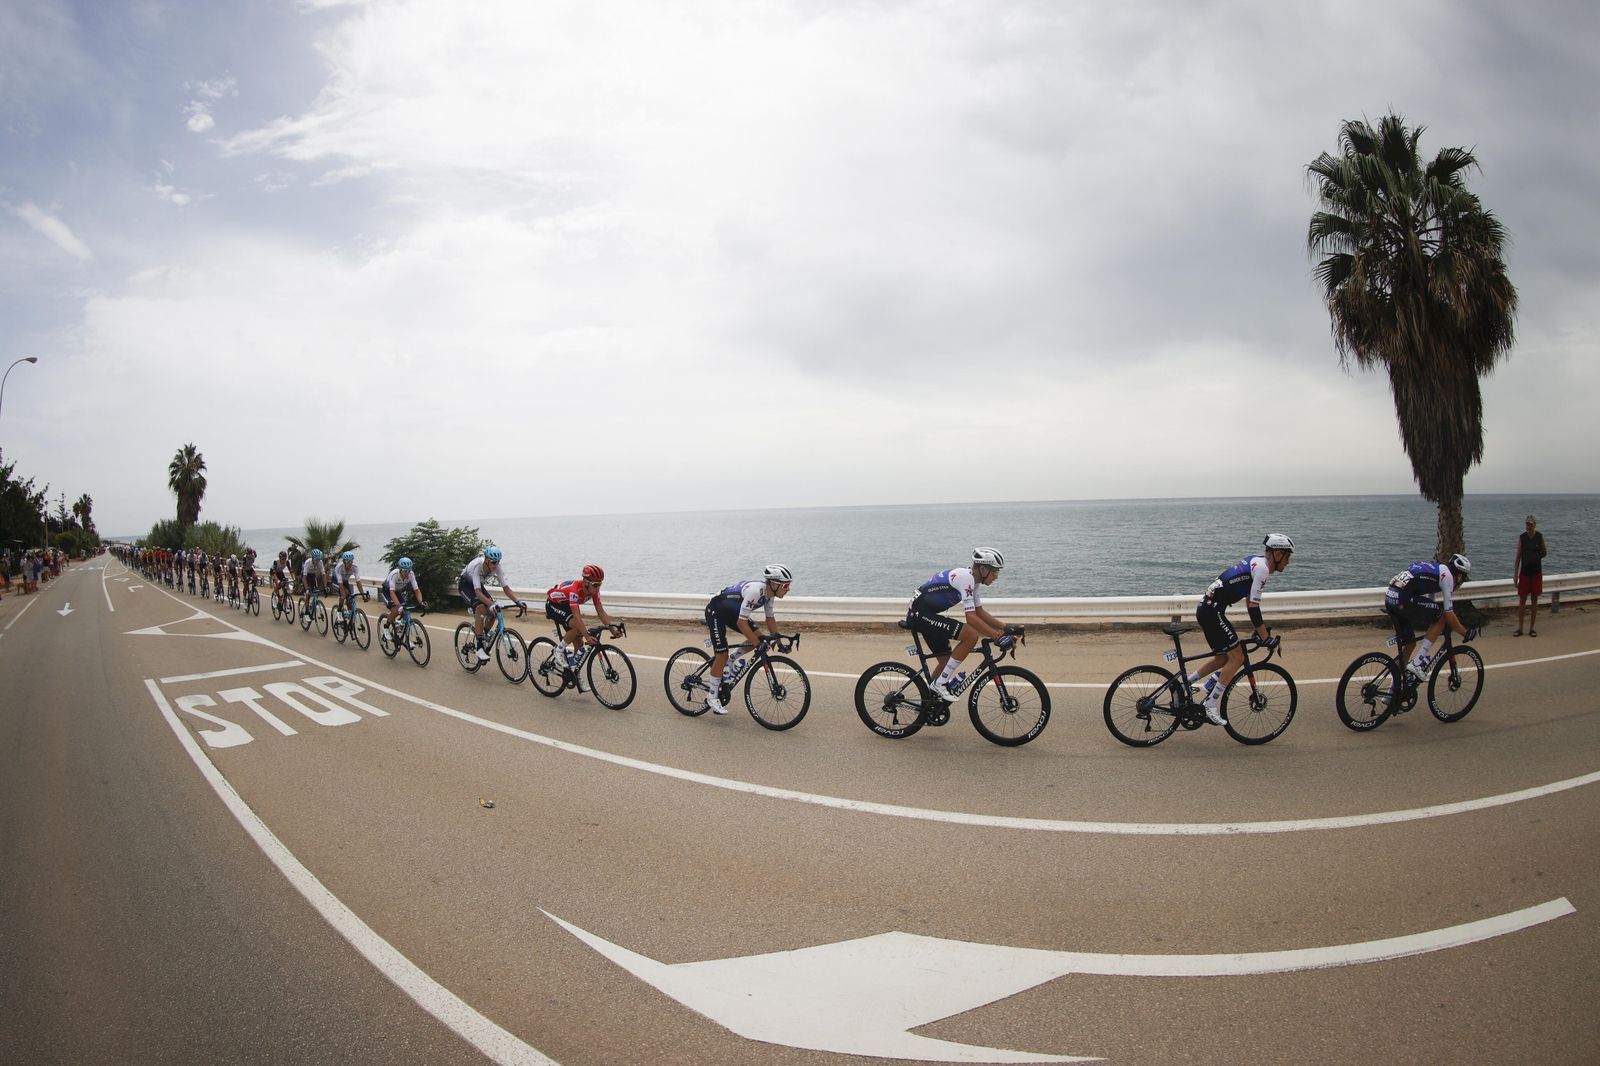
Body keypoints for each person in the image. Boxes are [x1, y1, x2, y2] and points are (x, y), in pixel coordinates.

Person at [1185, 535, 1294, 726]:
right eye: (1287, 556)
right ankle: (1210, 704)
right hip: (1213, 611)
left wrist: (1261, 632)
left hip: (1207, 608)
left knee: (1223, 659)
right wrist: (1265, 637)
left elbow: (1249, 599)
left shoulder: (1255, 561)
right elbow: (1253, 607)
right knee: (1237, 658)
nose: (1288, 561)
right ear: (1277, 553)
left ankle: (1185, 684)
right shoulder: (1263, 570)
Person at [907, 548, 1013, 705]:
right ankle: (940, 684)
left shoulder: (973, 581)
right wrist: (997, 636)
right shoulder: (966, 578)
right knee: (970, 636)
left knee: (946, 662)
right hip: (920, 615)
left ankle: (928, 703)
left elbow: (979, 612)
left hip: (924, 614)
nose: (996, 577)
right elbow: (971, 619)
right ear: (983, 569)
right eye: (995, 572)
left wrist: (1007, 628)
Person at [702, 564, 793, 714]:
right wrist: (758, 644)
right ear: (775, 584)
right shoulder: (756, 592)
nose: (788, 589)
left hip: (733, 612)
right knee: (721, 654)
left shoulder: (769, 595)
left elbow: (770, 618)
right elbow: (741, 623)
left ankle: (730, 661)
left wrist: (779, 642)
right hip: (717, 609)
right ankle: (712, 697)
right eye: (786, 585)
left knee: (759, 639)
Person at [1384, 554, 1474, 683]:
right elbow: (1449, 613)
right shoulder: (1447, 577)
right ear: (1459, 576)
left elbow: (1429, 600)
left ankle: (1393, 692)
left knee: (1410, 644)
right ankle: (1417, 662)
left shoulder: (1435, 569)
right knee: (1442, 616)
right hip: (1402, 599)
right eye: (1462, 579)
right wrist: (1465, 632)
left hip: (1390, 597)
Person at [545, 564, 621, 692]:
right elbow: (577, 616)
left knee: (579, 646)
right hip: (554, 605)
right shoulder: (575, 590)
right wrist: (586, 635)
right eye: (595, 585)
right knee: (578, 627)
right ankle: (558, 651)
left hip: (566, 606)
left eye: (600, 584)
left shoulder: (594, 591)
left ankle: (575, 675)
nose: (598, 588)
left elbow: (600, 611)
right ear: (586, 583)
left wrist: (612, 629)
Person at [457, 546, 528, 662]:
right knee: (480, 608)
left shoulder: (497, 568)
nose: (496, 565)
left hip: (477, 585)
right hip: (465, 585)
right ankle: (479, 647)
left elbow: (506, 588)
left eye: (498, 562)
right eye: (493, 562)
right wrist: (490, 604)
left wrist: (517, 601)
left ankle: (483, 635)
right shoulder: (477, 566)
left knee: (494, 611)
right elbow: (478, 593)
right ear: (486, 560)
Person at [1513, 515, 1547, 637]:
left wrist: (1535, 558)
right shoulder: (1522, 538)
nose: (1528, 526)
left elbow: (1544, 552)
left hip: (1536, 573)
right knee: (1522, 600)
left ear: (1535, 525)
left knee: (1534, 600)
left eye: (1531, 524)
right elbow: (1517, 558)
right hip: (1525, 574)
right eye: (1527, 524)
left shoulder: (1539, 537)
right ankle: (1520, 628)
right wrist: (1515, 574)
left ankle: (1532, 628)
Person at [379, 557, 427, 634]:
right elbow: (392, 592)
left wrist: (421, 602)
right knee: (395, 610)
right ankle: (386, 627)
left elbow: (416, 590)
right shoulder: (394, 574)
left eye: (409, 570)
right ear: (400, 569)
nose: (407, 573)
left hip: (397, 591)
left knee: (405, 612)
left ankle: (402, 633)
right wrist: (398, 606)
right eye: (405, 571)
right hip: (387, 591)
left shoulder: (411, 574)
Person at [331, 551, 361, 616]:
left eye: (351, 561)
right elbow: (340, 584)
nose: (350, 564)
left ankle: (350, 615)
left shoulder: (355, 567)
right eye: (348, 562)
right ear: (344, 562)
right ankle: (339, 610)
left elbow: (358, 582)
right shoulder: (339, 567)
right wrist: (343, 594)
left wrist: (363, 594)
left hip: (345, 581)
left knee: (350, 598)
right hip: (336, 581)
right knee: (344, 595)